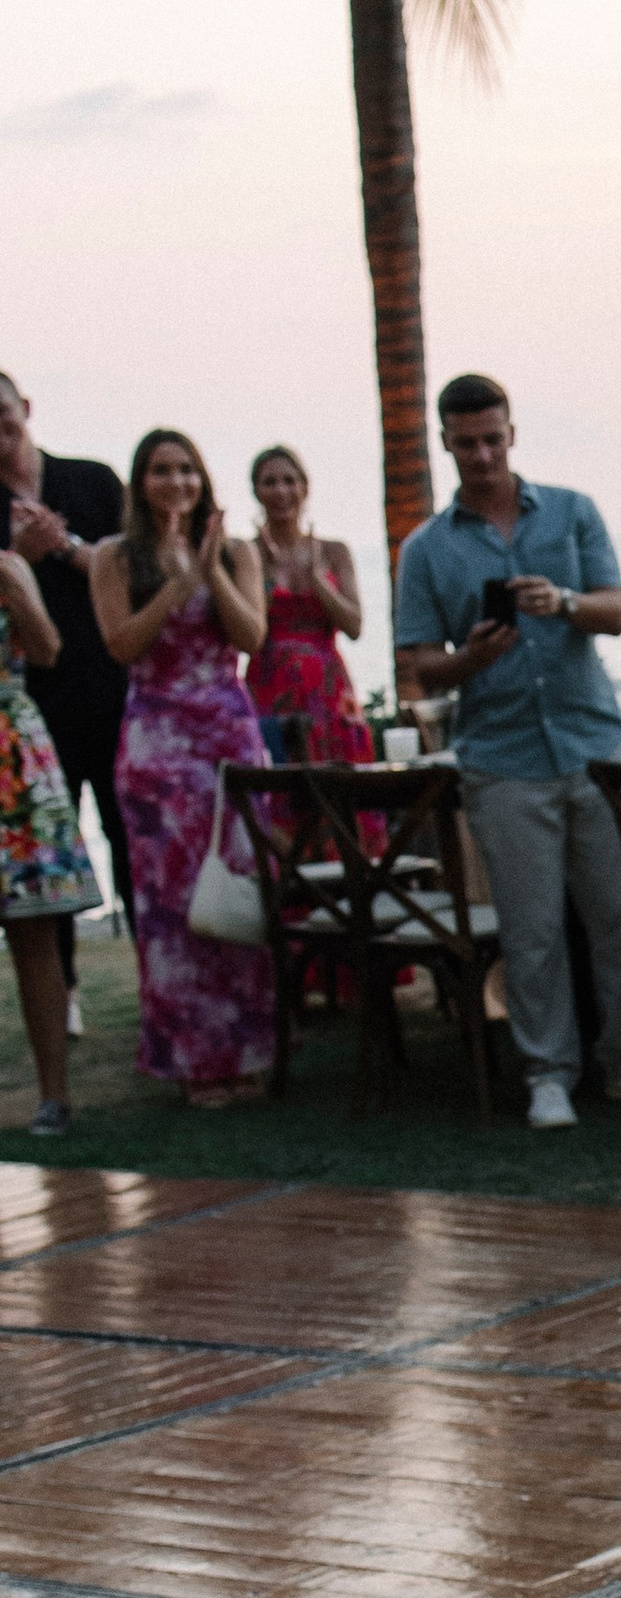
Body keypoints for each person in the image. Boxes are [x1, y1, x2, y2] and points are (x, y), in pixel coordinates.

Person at [393, 371, 621, 1132]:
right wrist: (472, 658)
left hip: (595, 744)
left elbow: (615, 611)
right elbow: (421, 665)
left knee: (620, 919)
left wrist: (564, 602)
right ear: (447, 444)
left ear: (512, 434)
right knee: (532, 933)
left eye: (493, 439)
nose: (483, 454)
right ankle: (549, 1074)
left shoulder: (574, 511)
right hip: (502, 758)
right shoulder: (426, 549)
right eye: (468, 444)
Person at [93, 431, 272, 1106]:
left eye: (187, 470)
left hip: (228, 732)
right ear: (141, 483)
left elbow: (252, 637)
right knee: (172, 901)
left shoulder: (236, 550)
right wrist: (177, 582)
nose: (177, 482)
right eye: (162, 471)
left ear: (203, 478)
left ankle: (248, 1052)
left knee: (238, 889)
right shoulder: (115, 556)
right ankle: (194, 1061)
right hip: (157, 743)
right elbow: (121, 645)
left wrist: (211, 570)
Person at [1, 369, 129, 1018]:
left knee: (127, 837)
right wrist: (19, 554)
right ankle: (67, 989)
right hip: (32, 709)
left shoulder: (92, 481)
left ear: (25, 408)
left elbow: (137, 565)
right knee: (53, 858)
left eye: (4, 415)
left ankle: (157, 978)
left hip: (114, 688)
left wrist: (70, 547)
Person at [0, 536, 100, 1136]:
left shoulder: (9, 566)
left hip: (11, 755)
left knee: (34, 930)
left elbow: (47, 649)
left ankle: (54, 1097)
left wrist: (16, 585)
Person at [245, 447, 368, 765]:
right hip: (270, 684)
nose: (281, 491)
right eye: (270, 482)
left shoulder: (334, 552)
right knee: (274, 781)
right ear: (256, 491)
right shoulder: (247, 555)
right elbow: (245, 636)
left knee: (341, 780)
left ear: (305, 487)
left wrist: (319, 582)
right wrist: (267, 579)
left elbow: (354, 626)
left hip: (327, 686)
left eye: (289, 481)